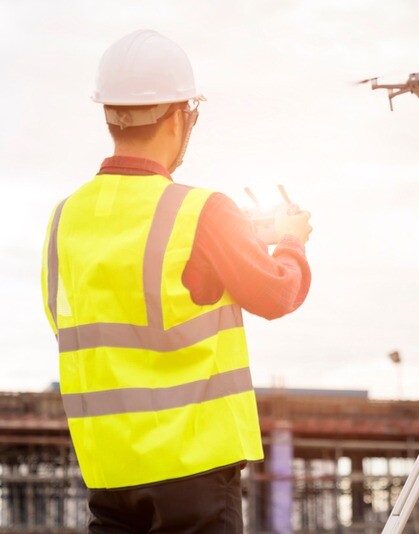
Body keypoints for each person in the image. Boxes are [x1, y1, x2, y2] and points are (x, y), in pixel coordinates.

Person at [40, 29, 312, 533]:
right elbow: (276, 292)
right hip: (194, 475)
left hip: (110, 475)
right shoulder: (201, 211)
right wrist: (291, 242)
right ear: (180, 116)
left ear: (109, 115)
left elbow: (76, 323)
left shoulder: (64, 219)